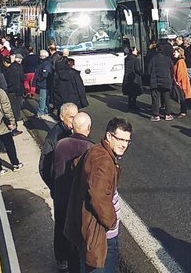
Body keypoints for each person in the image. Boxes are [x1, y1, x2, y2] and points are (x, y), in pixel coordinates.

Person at [64, 117, 133, 273]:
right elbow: (98, 197)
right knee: (100, 267)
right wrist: (111, 221)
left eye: (127, 141)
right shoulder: (103, 161)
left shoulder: (96, 150)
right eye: (120, 139)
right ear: (109, 136)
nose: (124, 145)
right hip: (101, 234)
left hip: (91, 228)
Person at [52, 112, 94, 272]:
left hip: (61, 195)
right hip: (78, 200)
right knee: (78, 235)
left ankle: (62, 259)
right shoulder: (90, 148)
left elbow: (51, 170)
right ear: (88, 128)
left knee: (61, 228)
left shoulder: (60, 145)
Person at [39, 103, 78, 195]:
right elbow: (44, 167)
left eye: (76, 117)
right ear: (62, 117)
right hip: (62, 191)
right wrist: (56, 188)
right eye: (71, 117)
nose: (74, 121)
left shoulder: (76, 132)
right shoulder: (53, 138)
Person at [147, 41, 177, 121]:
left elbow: (149, 71)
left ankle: (156, 115)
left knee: (155, 98)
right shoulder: (167, 58)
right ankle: (168, 115)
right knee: (166, 98)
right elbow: (172, 70)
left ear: (156, 49)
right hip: (166, 80)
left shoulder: (153, 58)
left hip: (155, 81)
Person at [4, 54, 26, 135]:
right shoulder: (18, 67)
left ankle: (13, 127)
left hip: (12, 91)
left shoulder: (9, 69)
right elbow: (23, 78)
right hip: (18, 91)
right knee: (16, 110)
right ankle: (14, 128)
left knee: (12, 110)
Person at [172, 46, 191, 118]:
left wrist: (178, 81)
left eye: (175, 52)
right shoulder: (179, 61)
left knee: (181, 97)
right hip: (180, 82)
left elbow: (180, 73)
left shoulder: (180, 61)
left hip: (180, 83)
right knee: (181, 97)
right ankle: (182, 111)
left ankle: (183, 111)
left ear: (179, 53)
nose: (173, 53)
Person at [121, 47, 143, 112]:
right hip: (134, 77)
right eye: (136, 50)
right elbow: (137, 69)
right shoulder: (135, 59)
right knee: (134, 93)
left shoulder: (126, 59)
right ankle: (133, 105)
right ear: (133, 51)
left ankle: (130, 105)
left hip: (127, 76)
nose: (137, 51)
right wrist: (141, 73)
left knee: (130, 93)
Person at [33, 49, 53, 118]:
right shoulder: (47, 62)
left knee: (42, 98)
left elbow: (44, 74)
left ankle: (40, 112)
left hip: (43, 84)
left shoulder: (45, 63)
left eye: (40, 56)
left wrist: (39, 79)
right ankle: (45, 110)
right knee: (45, 98)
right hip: (45, 83)